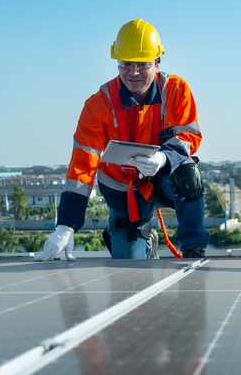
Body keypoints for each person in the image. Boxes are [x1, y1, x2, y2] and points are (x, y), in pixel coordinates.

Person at [36, 18, 209, 260]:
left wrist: (162, 158)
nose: (133, 72)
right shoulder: (98, 105)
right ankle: (136, 234)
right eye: (126, 64)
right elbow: (82, 167)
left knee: (188, 173)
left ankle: (193, 249)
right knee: (129, 265)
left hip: (164, 179)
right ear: (117, 63)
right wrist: (66, 225)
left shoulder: (176, 90)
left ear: (157, 63)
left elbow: (188, 137)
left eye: (142, 64)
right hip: (122, 190)